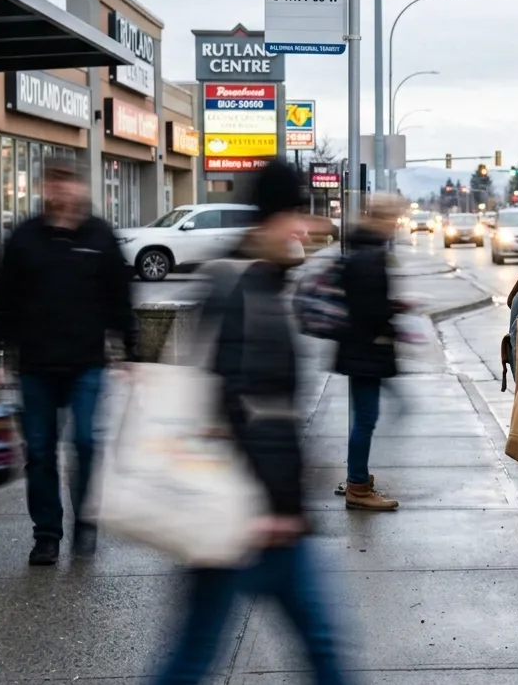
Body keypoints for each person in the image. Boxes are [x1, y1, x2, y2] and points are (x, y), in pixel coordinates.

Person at [153, 159, 353, 685]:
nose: (305, 228)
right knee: (318, 648)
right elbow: (246, 407)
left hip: (246, 507)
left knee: (201, 651)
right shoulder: (246, 289)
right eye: (296, 214)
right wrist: (276, 506)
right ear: (272, 217)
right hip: (247, 512)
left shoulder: (256, 281)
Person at [0, 158, 138, 567]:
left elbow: (120, 299)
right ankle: (47, 534)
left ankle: (86, 520)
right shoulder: (25, 237)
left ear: (81, 189)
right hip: (34, 366)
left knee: (86, 442)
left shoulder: (100, 236)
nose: (62, 190)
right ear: (44, 187)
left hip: (87, 364)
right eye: (54, 182)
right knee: (39, 451)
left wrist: (132, 352)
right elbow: (3, 302)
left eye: (69, 183)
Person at [332, 193, 408, 511]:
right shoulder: (371, 257)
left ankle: (357, 476)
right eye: (394, 219)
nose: (396, 225)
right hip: (366, 350)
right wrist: (391, 321)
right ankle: (358, 487)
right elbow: (368, 310)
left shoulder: (362, 249)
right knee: (366, 419)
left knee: (365, 417)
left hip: (358, 349)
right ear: (383, 219)